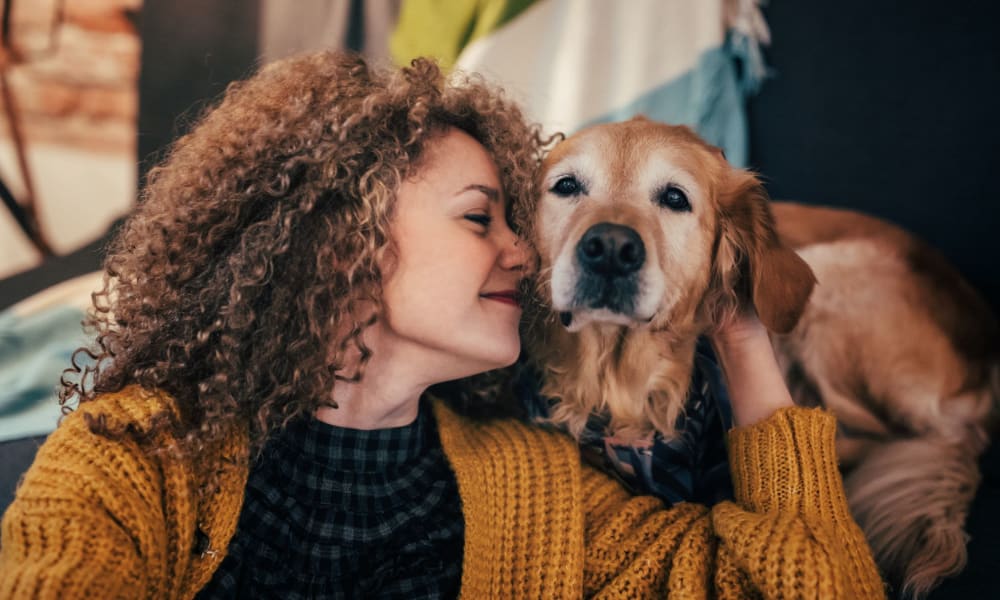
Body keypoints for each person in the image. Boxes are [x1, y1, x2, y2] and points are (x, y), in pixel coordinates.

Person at [0, 51, 885, 599]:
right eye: (480, 218)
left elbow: (819, 586)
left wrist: (739, 330)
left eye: (514, 217)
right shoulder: (140, 451)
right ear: (342, 243)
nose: (526, 253)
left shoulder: (540, 490)